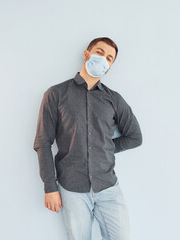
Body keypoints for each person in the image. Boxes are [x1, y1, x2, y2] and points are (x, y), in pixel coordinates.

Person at [33, 37, 142, 240]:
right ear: (86, 54)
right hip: (72, 188)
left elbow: (135, 137)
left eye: (109, 58)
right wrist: (50, 187)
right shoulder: (55, 94)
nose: (103, 60)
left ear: (109, 67)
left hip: (108, 187)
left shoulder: (114, 99)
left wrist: (104, 147)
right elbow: (42, 142)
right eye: (100, 53)